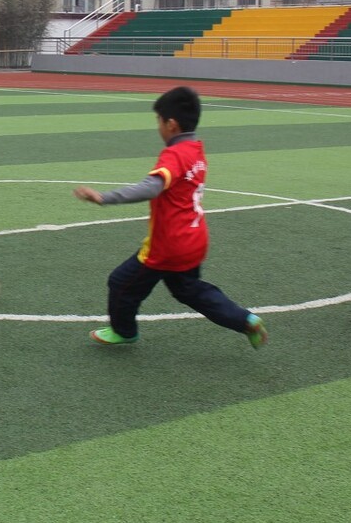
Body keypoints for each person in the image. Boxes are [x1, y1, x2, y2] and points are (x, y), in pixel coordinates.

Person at [73, 86, 268, 349]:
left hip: (169, 244)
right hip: (195, 238)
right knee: (189, 290)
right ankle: (245, 320)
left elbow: (152, 187)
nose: (158, 127)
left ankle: (124, 331)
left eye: (159, 121)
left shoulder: (174, 154)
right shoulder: (196, 149)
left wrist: (105, 197)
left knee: (121, 282)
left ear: (171, 124)